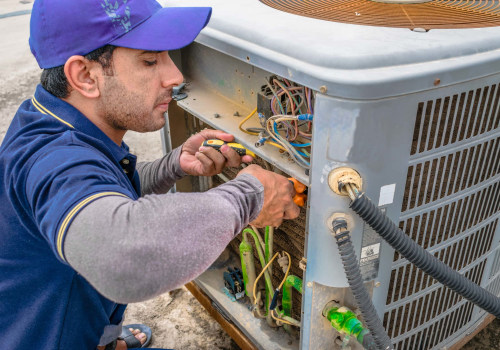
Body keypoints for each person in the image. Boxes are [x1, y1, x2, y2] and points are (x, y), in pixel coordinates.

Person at [0, 1, 300, 349]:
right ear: (84, 76)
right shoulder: (53, 159)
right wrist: (250, 197)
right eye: (149, 60)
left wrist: (169, 167)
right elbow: (121, 256)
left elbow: (101, 186)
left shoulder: (50, 118)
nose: (175, 77)